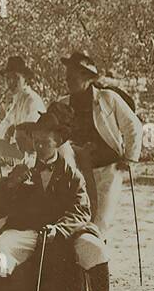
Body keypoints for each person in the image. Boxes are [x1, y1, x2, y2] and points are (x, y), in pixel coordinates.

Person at [0, 108, 128, 291]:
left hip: (66, 232)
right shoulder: (24, 170)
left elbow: (81, 210)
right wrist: (11, 184)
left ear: (58, 142)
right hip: (27, 229)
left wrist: (58, 229)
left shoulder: (72, 175)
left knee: (97, 249)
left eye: (44, 143)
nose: (38, 147)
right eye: (36, 142)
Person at [58, 52, 143, 236]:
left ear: (87, 77)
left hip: (108, 170)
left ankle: (98, 260)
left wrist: (129, 158)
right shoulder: (62, 104)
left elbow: (133, 126)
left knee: (100, 221)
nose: (68, 80)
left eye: (72, 77)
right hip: (78, 173)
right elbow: (53, 136)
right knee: (80, 218)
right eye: (67, 77)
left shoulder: (107, 99)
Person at [0, 56, 46, 163]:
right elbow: (6, 121)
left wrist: (13, 130)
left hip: (36, 151)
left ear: (25, 79)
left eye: (16, 78)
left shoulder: (32, 99)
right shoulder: (19, 98)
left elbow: (32, 131)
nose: (11, 82)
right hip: (23, 147)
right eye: (8, 78)